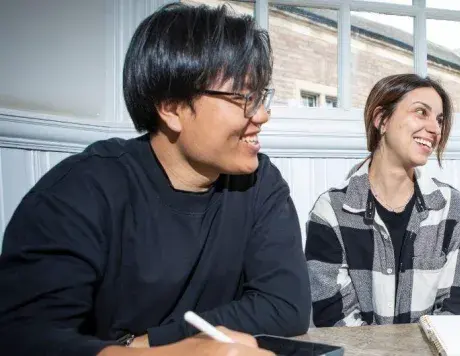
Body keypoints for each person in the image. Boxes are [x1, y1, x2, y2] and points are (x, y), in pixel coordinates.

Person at [0, 3, 310, 355]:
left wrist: (149, 343)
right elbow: (23, 338)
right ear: (172, 108)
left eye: (261, 96)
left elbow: (286, 307)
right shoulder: (81, 190)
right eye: (244, 97)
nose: (263, 115)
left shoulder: (260, 183)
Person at [305, 74, 460, 326]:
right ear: (381, 120)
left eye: (439, 120)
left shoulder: (452, 206)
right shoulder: (330, 211)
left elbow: (457, 310)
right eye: (421, 112)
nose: (435, 129)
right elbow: (335, 320)